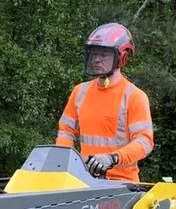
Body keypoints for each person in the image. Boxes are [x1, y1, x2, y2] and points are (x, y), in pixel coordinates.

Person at [56, 23, 153, 182]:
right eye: (94, 54)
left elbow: (144, 142)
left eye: (104, 54)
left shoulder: (134, 97)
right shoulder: (79, 92)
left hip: (121, 184)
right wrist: (64, 162)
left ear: (121, 58)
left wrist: (113, 158)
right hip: (85, 180)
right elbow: (66, 130)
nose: (96, 59)